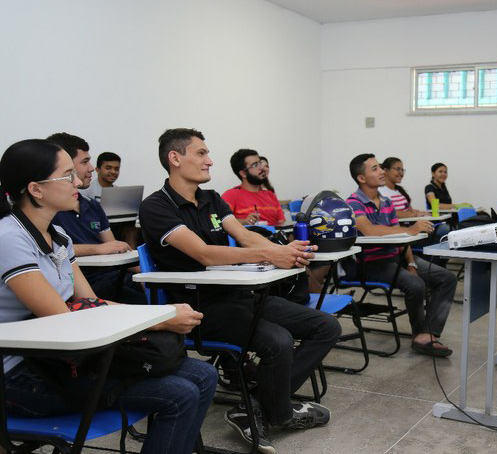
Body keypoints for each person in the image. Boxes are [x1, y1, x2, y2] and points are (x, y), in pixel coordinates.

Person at [0, 138, 217, 454]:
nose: (77, 181)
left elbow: (89, 303)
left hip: (60, 361)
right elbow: (59, 315)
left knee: (204, 373)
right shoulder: (9, 238)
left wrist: (163, 313)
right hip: (20, 375)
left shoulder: (58, 237)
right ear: (36, 189)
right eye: (67, 175)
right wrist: (161, 320)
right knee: (178, 393)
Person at [140, 128, 340, 451]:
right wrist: (269, 253)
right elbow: (204, 253)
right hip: (198, 309)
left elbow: (246, 236)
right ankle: (276, 411)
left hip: (237, 296)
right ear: (175, 158)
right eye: (201, 154)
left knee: (326, 326)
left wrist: (285, 252)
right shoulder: (156, 207)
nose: (210, 161)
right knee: (279, 341)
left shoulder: (211, 199)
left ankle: (257, 408)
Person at [346, 154, 457, 357]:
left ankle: (427, 333)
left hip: (395, 258)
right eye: (374, 169)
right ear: (361, 178)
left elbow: (400, 235)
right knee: (416, 285)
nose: (381, 171)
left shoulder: (386, 201)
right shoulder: (353, 204)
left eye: (380, 167)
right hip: (372, 264)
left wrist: (412, 263)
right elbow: (369, 230)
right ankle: (420, 335)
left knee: (447, 278)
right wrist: (411, 230)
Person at [46, 133, 146, 304]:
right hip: (89, 280)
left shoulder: (92, 205)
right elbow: (51, 250)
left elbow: (115, 248)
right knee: (142, 299)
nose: (92, 168)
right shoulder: (48, 211)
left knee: (158, 289)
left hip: (111, 276)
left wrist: (146, 273)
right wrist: (98, 249)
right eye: (85, 162)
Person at [222, 149, 286, 226]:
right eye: (255, 165)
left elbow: (282, 224)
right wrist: (244, 221)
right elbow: (220, 221)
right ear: (243, 173)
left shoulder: (271, 195)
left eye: (260, 163)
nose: (261, 167)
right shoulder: (231, 195)